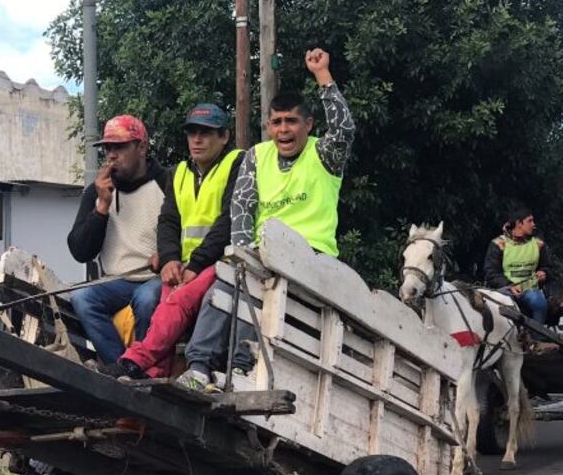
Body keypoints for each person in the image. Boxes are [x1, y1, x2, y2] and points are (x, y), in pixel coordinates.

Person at [177, 48, 357, 391]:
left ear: (308, 124)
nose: (283, 130)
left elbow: (345, 128)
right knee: (227, 279)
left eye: (291, 121)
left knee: (260, 288)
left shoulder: (324, 154)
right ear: (269, 127)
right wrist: (242, 256)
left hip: (313, 259)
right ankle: (199, 369)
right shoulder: (257, 156)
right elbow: (242, 207)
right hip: (265, 255)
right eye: (276, 122)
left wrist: (323, 76)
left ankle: (242, 369)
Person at [98, 104, 244, 379]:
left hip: (224, 261)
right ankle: (155, 375)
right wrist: (169, 259)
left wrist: (196, 264)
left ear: (224, 137)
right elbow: (168, 221)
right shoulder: (178, 173)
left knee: (177, 300)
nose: (197, 140)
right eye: (192, 133)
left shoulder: (237, 163)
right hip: (186, 265)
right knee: (163, 302)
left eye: (206, 133)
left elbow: (229, 220)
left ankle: (133, 361)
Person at [67, 115, 167, 364]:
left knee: (146, 301)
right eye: (107, 148)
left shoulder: (167, 182)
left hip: (155, 277)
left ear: (142, 148)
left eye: (120, 147)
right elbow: (80, 251)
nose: (111, 155)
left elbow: (182, 229)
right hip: (115, 281)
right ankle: (121, 367)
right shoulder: (97, 191)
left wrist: (167, 254)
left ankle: (144, 367)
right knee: (82, 298)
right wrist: (101, 206)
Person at [483, 208, 550, 324]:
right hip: (505, 289)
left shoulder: (539, 244)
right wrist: (510, 286)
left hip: (530, 289)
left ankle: (537, 339)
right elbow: (491, 272)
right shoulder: (498, 244)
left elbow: (547, 267)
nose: (533, 225)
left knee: (539, 303)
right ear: (519, 223)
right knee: (502, 304)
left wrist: (544, 273)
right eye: (530, 221)